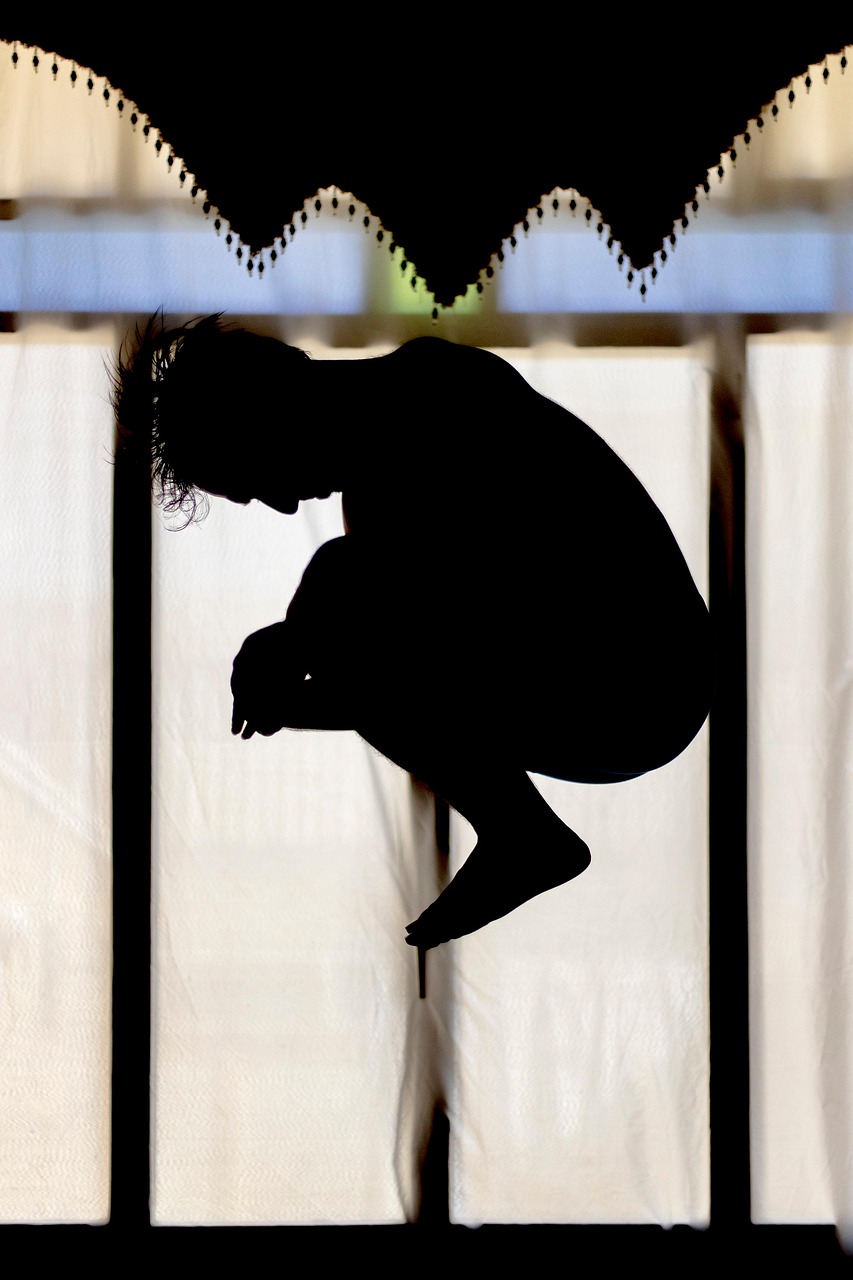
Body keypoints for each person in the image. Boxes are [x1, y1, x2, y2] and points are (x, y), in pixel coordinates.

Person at [114, 314, 714, 953]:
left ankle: (521, 832)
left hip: (646, 667)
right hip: (624, 697)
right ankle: (523, 832)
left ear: (280, 382)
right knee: (344, 601)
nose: (286, 504)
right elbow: (419, 690)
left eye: (264, 475)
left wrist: (297, 639)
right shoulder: (377, 488)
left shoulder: (434, 391)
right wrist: (294, 699)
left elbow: (413, 624)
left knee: (340, 584)